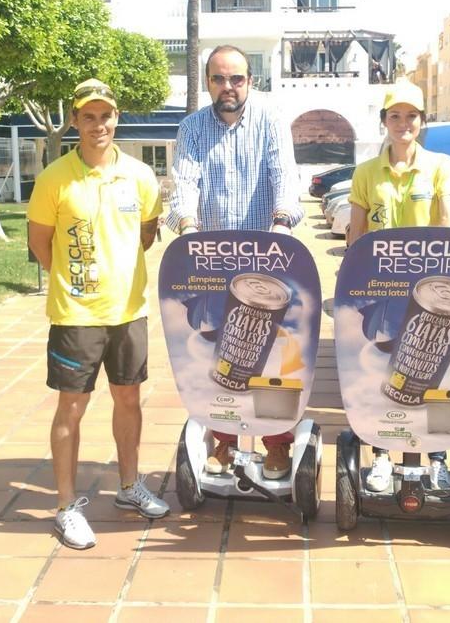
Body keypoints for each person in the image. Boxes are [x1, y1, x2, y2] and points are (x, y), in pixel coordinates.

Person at [28, 78, 169, 550]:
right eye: (87, 116)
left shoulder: (141, 176)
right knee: (72, 406)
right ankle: (66, 506)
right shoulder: (54, 178)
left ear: (116, 118)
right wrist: (75, 281)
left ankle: (129, 487)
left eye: (105, 115)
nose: (97, 125)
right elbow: (39, 244)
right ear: (74, 121)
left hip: (129, 312)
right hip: (75, 316)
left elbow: (147, 233)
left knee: (129, 400)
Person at [166, 44, 304, 480]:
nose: (228, 87)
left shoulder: (270, 120)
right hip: (213, 261)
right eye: (219, 79)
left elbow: (284, 174)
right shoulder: (191, 129)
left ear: (250, 81)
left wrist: (282, 222)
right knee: (217, 355)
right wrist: (187, 227)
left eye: (237, 79)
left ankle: (277, 443)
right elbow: (184, 181)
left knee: (273, 355)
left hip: (267, 258)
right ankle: (223, 442)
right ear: (208, 82)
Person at [346, 81, 450, 493]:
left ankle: (436, 460)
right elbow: (356, 236)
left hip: (431, 295)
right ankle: (380, 456)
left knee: (431, 371)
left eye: (411, 116)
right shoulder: (365, 173)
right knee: (383, 372)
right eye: (394, 116)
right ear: (384, 122)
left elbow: (448, 222)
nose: (403, 123)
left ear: (422, 121)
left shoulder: (440, 166)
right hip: (382, 292)